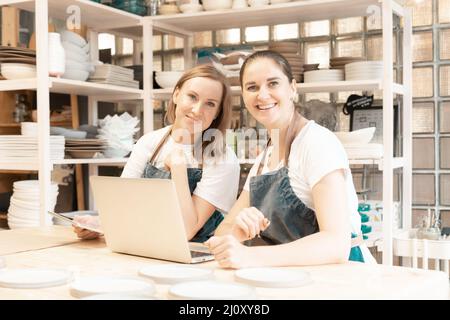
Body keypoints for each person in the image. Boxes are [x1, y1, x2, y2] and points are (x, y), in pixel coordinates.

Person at [207, 50, 376, 268]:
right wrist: (238, 230)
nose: (262, 95)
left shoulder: (316, 143)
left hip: (341, 278)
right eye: (252, 87)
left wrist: (251, 257)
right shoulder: (263, 159)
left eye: (273, 83)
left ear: (293, 88)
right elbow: (222, 234)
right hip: (294, 277)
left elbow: (336, 244)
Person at [74, 64, 240, 242]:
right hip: (146, 244)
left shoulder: (222, 158)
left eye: (210, 104)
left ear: (217, 113)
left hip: (197, 256)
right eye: (192, 97)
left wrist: (178, 171)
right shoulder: (149, 143)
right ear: (176, 94)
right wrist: (101, 225)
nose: (197, 110)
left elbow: (185, 231)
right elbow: (123, 205)